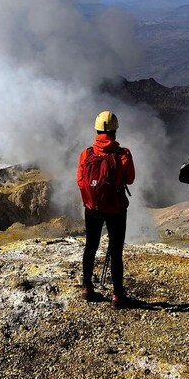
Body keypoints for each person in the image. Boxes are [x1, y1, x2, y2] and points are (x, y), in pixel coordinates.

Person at [76, 110, 135, 309]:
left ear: (96, 129)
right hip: (116, 209)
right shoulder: (123, 154)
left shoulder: (86, 154)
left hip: (92, 208)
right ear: (115, 131)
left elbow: (80, 180)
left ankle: (86, 288)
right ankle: (117, 294)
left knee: (90, 246)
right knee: (116, 250)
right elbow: (130, 179)